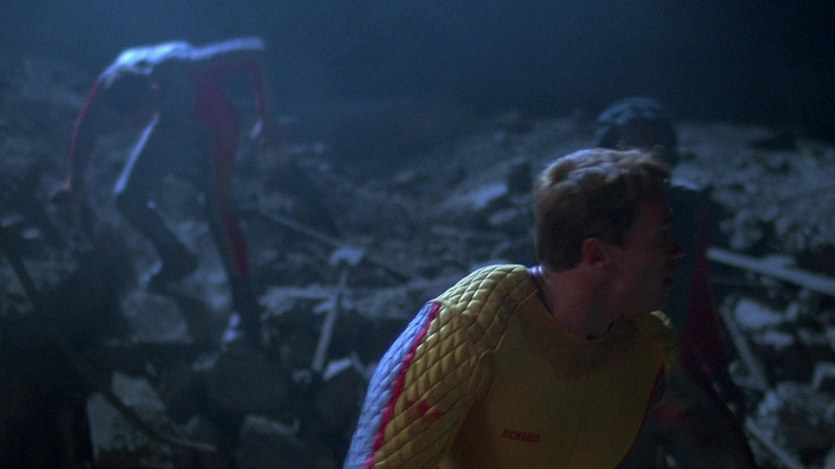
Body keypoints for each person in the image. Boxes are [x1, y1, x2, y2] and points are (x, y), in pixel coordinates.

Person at [345, 147, 685, 468]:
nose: (677, 252)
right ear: (596, 255)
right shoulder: (469, 330)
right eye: (661, 238)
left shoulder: (652, 348)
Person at [59, 37, 277, 344]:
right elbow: (86, 129)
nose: (137, 125)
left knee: (217, 209)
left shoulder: (187, 67)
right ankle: (176, 256)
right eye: (133, 121)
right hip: (171, 127)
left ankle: (246, 310)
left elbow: (255, 52)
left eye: (143, 115)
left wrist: (265, 117)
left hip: (214, 123)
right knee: (127, 198)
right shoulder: (108, 85)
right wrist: (74, 184)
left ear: (153, 93)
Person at [596, 97, 756, 468]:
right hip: (606, 377)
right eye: (628, 145)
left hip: (672, 370)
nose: (640, 157)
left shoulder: (685, 210)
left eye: (652, 145)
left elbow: (693, 295)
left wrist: (717, 369)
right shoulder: (586, 212)